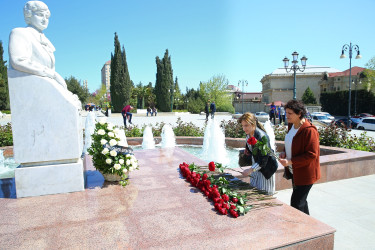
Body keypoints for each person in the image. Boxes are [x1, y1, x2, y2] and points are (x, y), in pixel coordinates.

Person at [278, 100, 321, 215]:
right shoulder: (292, 125)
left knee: (296, 203)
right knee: (301, 201)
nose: (286, 116)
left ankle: (301, 230)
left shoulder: (310, 130)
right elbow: (290, 142)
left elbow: (311, 154)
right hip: (295, 171)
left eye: (290, 113)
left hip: (306, 174)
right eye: (286, 112)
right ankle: (309, 225)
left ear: (299, 114)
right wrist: (284, 153)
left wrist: (290, 161)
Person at [239, 113, 278, 195]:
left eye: (246, 125)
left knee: (265, 194)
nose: (244, 128)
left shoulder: (261, 136)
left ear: (253, 124)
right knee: (255, 191)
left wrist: (250, 170)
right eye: (243, 126)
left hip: (266, 170)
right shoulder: (249, 134)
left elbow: (264, 158)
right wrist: (248, 150)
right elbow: (252, 147)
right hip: (256, 167)